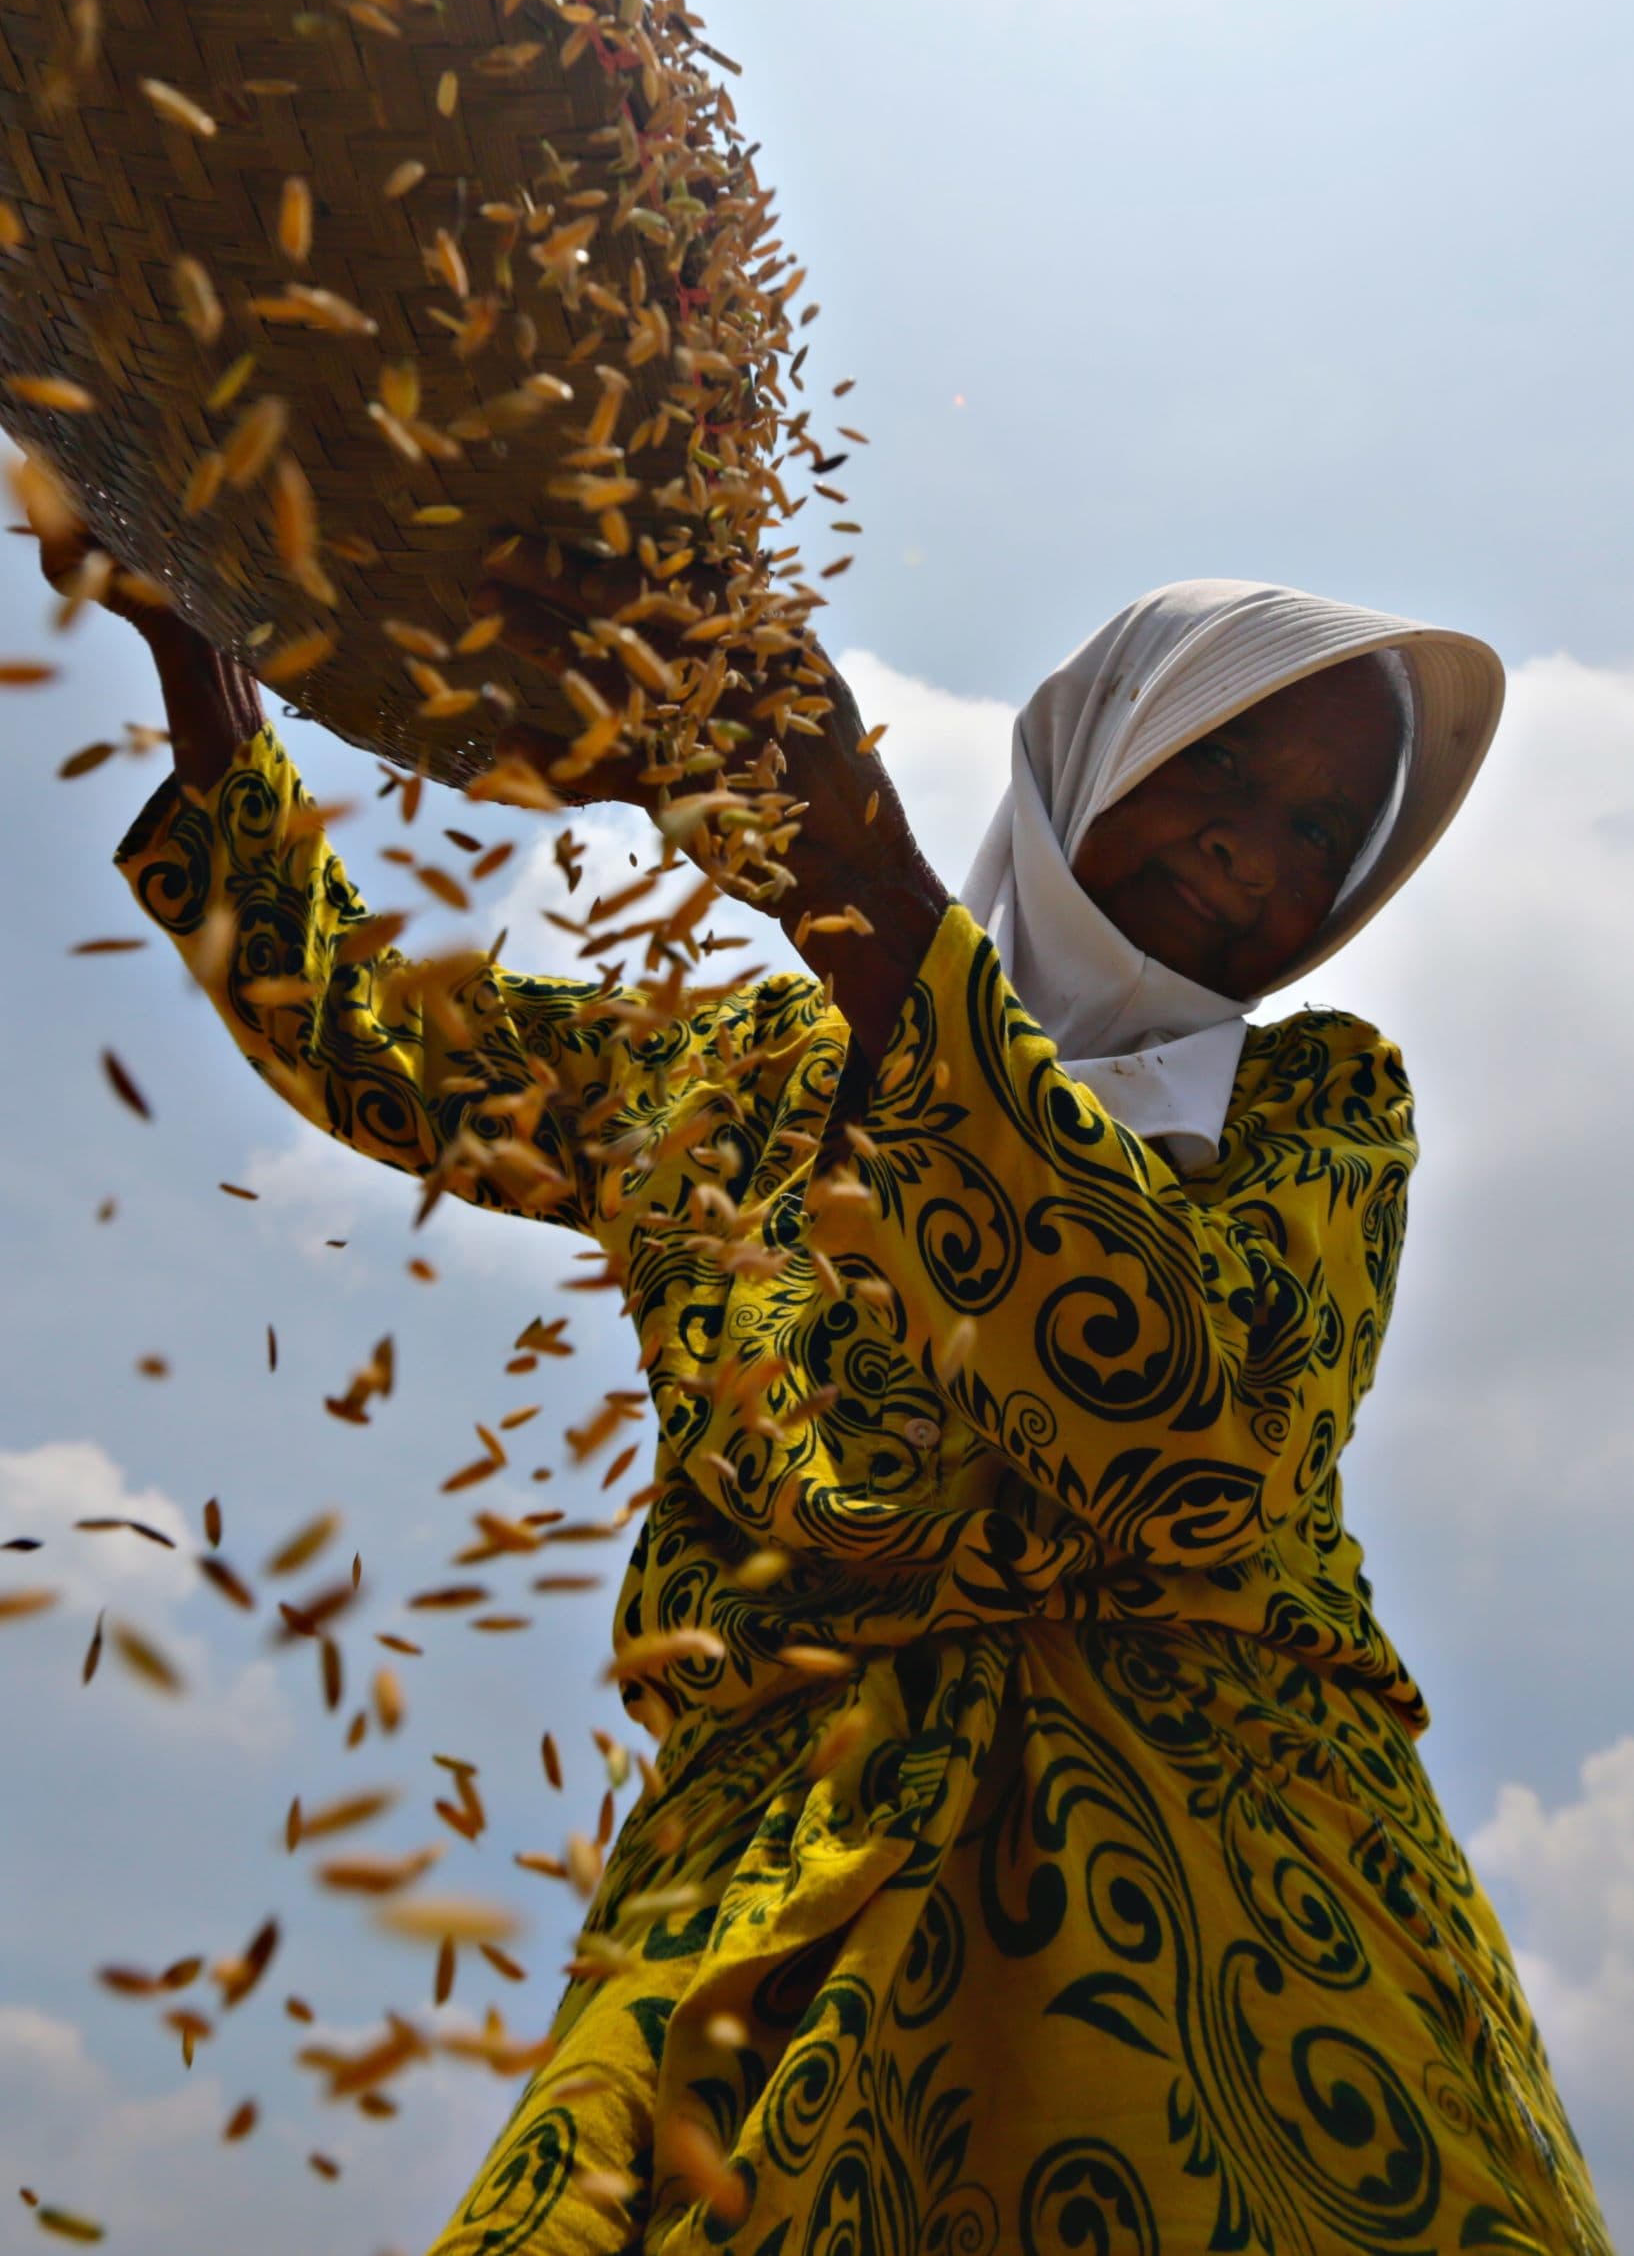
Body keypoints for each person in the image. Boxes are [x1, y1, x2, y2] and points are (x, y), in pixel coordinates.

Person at [38, 504, 1611, 2256]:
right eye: (1217, 764)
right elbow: (375, 1044)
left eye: (1317, 828)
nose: (1249, 851)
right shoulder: (740, 1063)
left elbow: (1182, 1431)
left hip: (1224, 1897)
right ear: (1096, 741)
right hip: (762, 1878)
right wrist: (208, 670)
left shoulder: (1315, 1106)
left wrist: (854, 878)